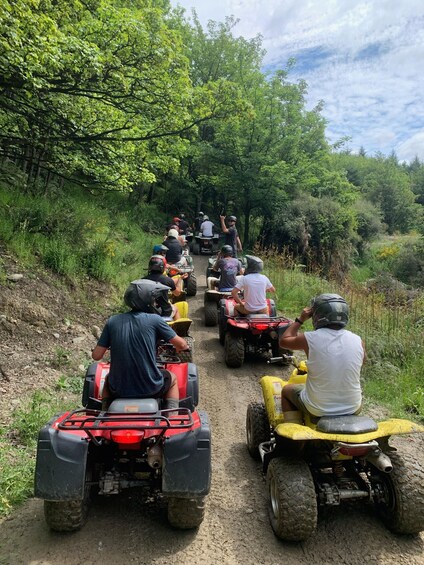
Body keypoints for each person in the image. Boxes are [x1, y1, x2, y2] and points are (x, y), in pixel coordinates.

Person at [91, 279, 189, 411]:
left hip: (118, 390)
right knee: (172, 379)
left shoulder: (112, 321)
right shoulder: (155, 320)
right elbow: (182, 345)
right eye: (154, 300)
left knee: (109, 378)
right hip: (150, 388)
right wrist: (180, 347)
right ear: (147, 300)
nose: (155, 303)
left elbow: (96, 356)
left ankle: (104, 413)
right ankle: (172, 418)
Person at [279, 294, 365, 424]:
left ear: (317, 316)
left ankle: (291, 439)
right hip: (353, 407)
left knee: (286, 391)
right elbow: (360, 362)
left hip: (317, 409)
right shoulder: (358, 340)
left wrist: (300, 320)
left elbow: (284, 341)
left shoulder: (309, 338)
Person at [143, 255, 181, 320]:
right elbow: (177, 293)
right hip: (165, 312)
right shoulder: (167, 280)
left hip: (148, 312)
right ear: (163, 267)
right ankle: (178, 330)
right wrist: (179, 281)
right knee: (176, 308)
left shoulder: (143, 280)